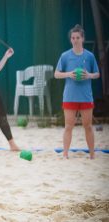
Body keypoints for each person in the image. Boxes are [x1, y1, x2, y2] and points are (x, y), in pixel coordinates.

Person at [54, 24, 100, 159]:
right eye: (73, 38)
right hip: (70, 96)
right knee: (68, 126)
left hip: (86, 97)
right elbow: (56, 74)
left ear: (83, 39)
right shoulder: (65, 56)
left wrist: (89, 75)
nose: (75, 40)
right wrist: (69, 74)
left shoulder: (90, 56)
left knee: (88, 126)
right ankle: (65, 154)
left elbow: (97, 74)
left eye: (77, 37)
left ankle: (92, 155)